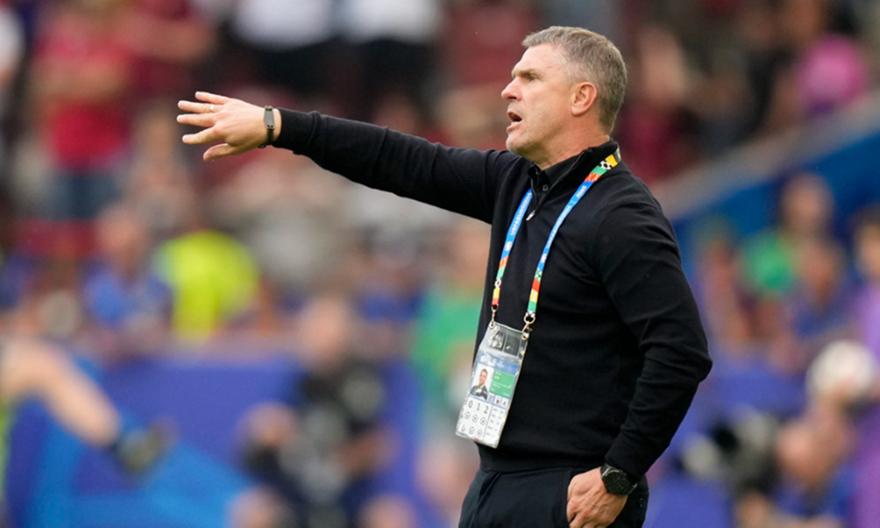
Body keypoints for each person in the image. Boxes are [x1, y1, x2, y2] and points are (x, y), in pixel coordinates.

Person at [178, 26, 711, 528]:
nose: (508, 90)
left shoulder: (622, 215)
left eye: (530, 78)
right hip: (496, 477)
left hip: (572, 488)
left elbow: (680, 350)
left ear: (581, 98)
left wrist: (619, 472)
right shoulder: (519, 185)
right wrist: (278, 126)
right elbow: (400, 159)